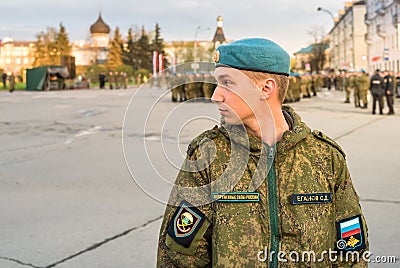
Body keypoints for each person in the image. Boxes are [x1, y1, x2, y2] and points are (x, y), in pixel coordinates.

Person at [157, 38, 369, 267]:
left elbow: (351, 253)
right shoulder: (209, 156)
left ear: (266, 88)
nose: (215, 96)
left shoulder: (325, 157)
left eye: (227, 83)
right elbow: (179, 256)